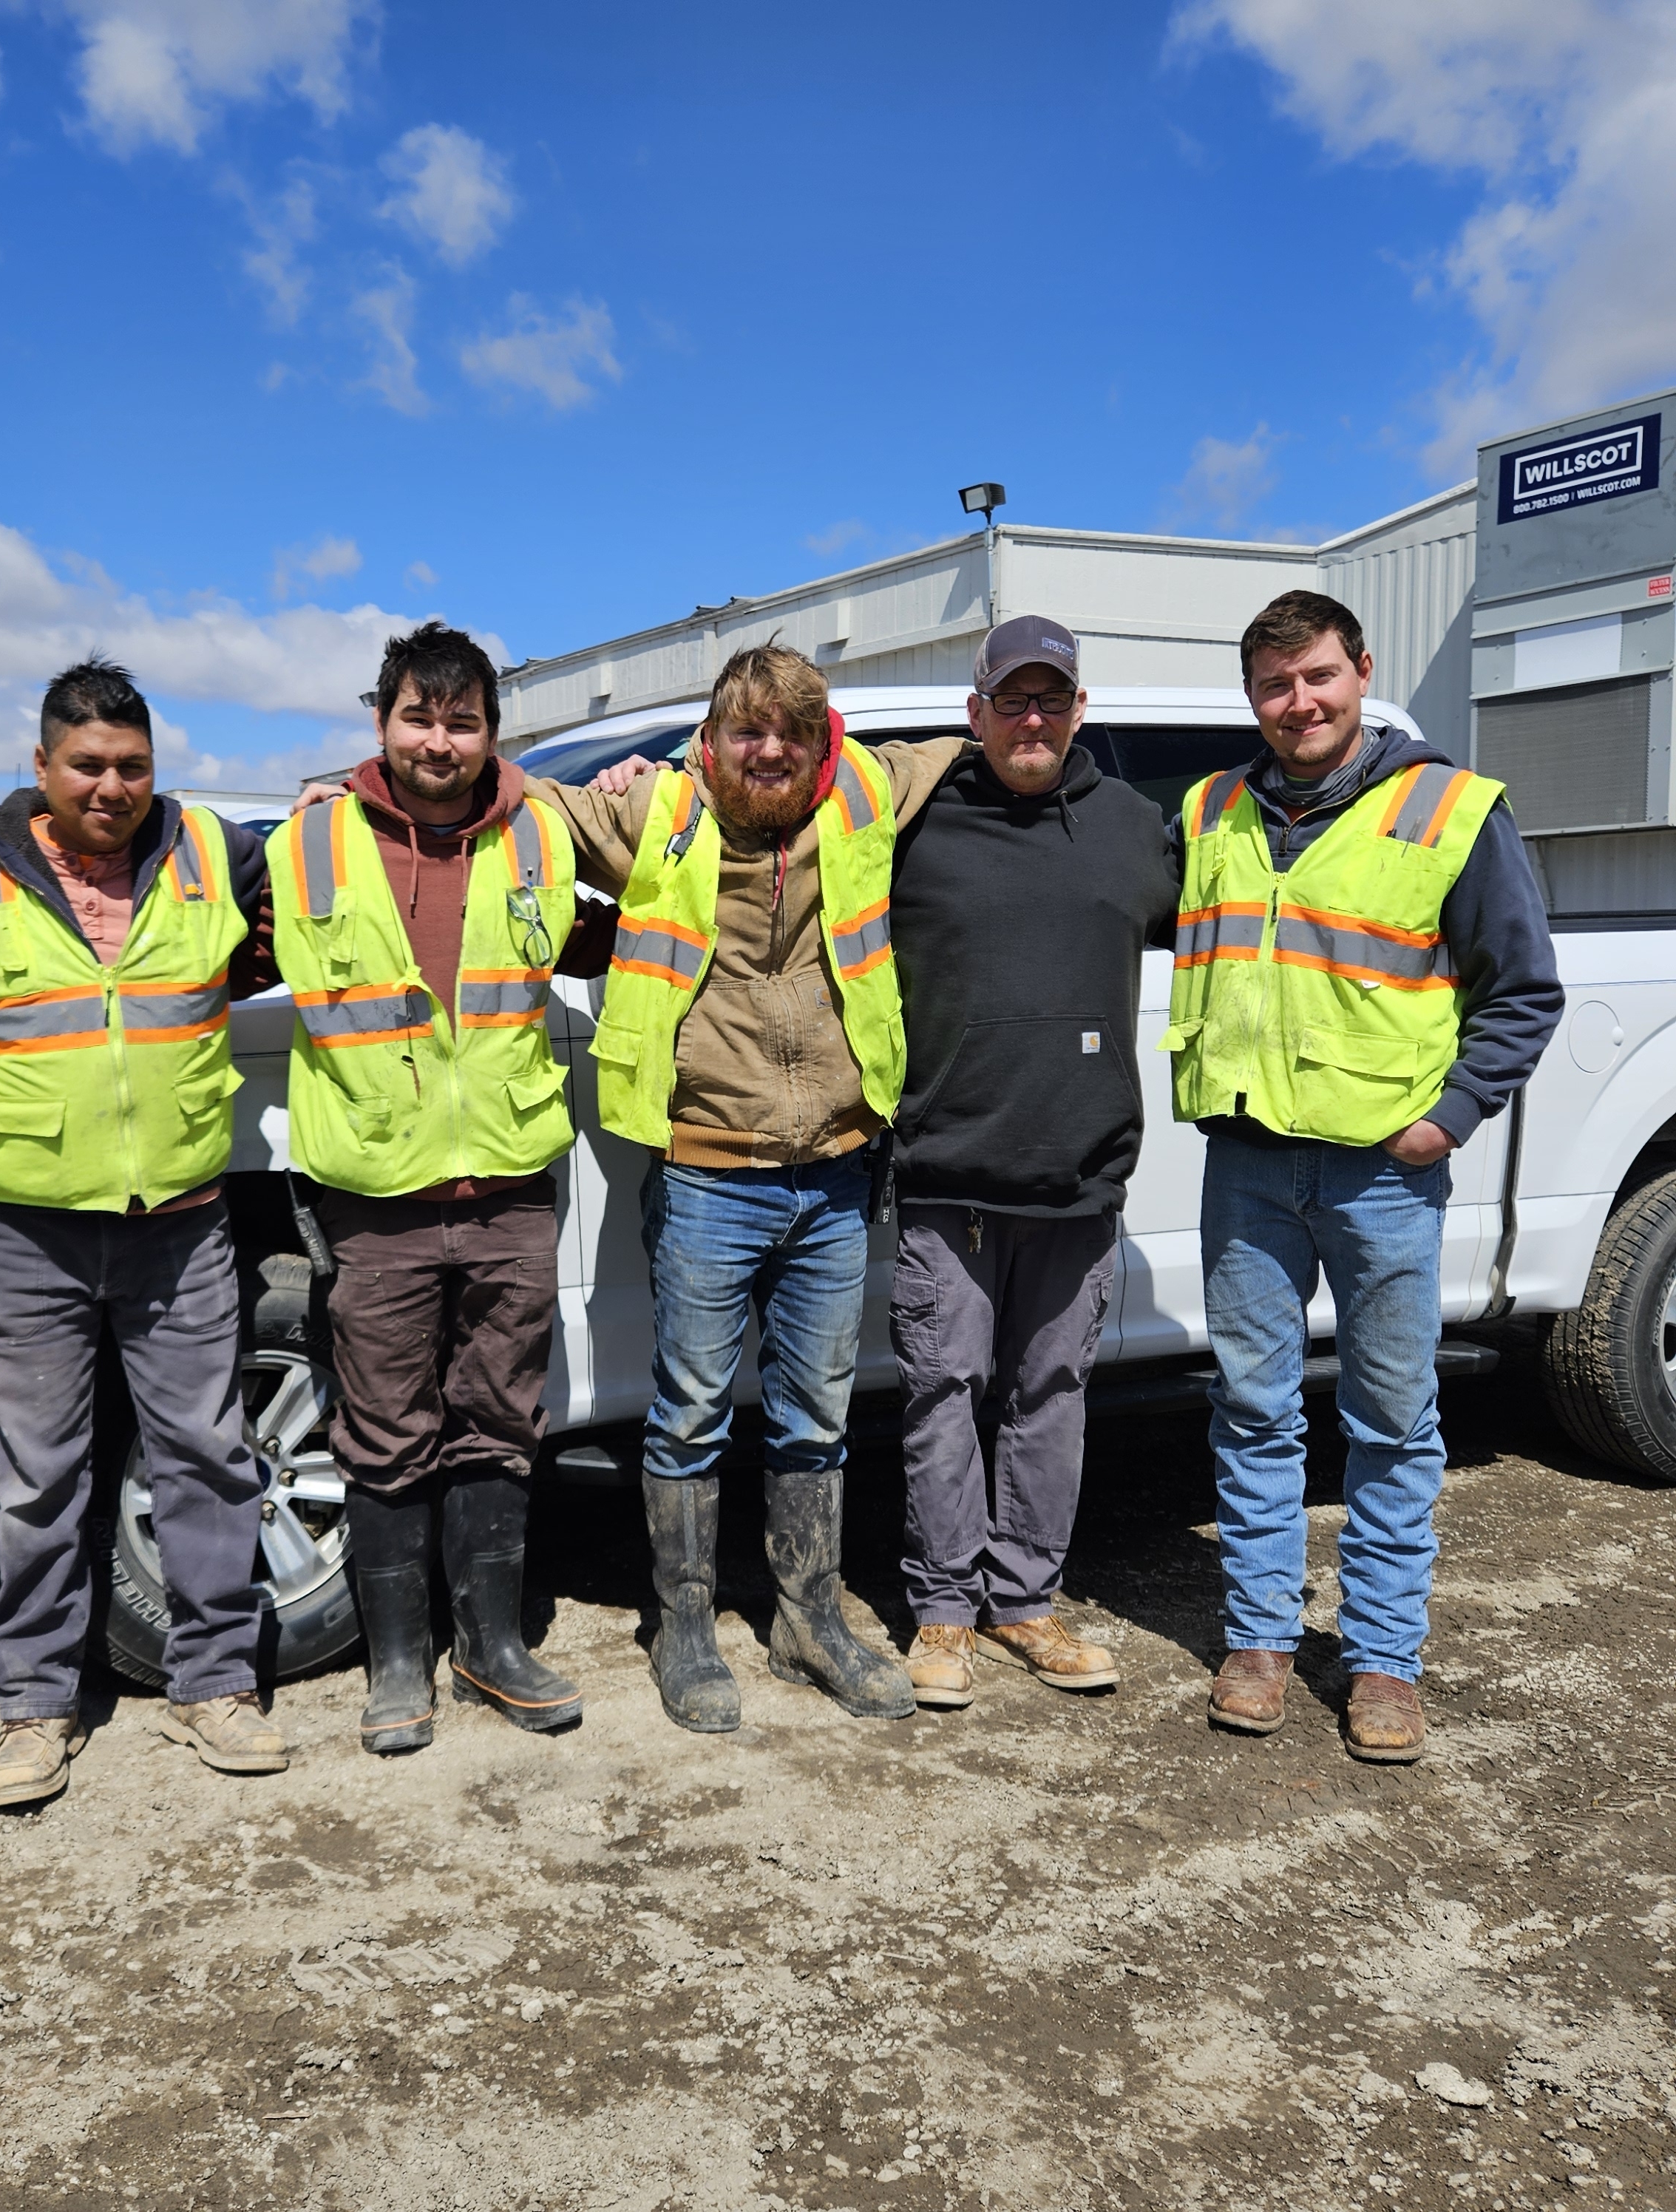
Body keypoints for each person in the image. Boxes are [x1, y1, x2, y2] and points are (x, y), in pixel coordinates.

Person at [0, 658, 284, 1802]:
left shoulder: (217, 856)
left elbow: (311, 903)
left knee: (209, 1456)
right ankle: (35, 1707)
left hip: (182, 1222)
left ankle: (216, 1684)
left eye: (134, 767)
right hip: (27, 1232)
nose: (112, 787)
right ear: (42, 765)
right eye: (88, 766)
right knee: (35, 1476)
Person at [543, 643, 967, 1731]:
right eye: (748, 731)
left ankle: (808, 1621)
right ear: (712, 740)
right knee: (687, 1418)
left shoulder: (868, 786)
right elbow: (515, 797)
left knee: (815, 1417)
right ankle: (681, 1627)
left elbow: (990, 741)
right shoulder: (660, 812)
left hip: (834, 1172)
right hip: (707, 1174)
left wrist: (1027, 730)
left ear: (822, 740)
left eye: (793, 731)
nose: (771, 750)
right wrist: (352, 786)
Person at [1177, 590, 1562, 1760]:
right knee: (1253, 1411)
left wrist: (1447, 1121)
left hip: (1382, 1175)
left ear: (1361, 674)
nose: (1298, 703)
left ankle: (1385, 1659)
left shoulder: (1451, 808)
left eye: (1319, 678)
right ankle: (1260, 1641)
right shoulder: (1208, 807)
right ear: (1253, 699)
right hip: (1245, 1161)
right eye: (1274, 686)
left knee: (1392, 1419)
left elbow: (1523, 989)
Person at [267, 623, 608, 1754]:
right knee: (383, 1426)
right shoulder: (307, 840)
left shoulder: (542, 834)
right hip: (379, 1190)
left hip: (510, 1180)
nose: (439, 741)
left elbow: (660, 868)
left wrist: (652, 774)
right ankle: (399, 1659)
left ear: (492, 733)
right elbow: (178, 886)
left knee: (502, 1417)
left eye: (463, 721)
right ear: (381, 721)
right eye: (419, 716)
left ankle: (492, 1649)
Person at [886, 617, 1177, 1709]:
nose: (1033, 719)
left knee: (1051, 1395)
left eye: (1052, 699)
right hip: (948, 1173)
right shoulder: (915, 825)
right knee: (943, 1394)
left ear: (1080, 710)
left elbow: (1249, 921)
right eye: (1012, 699)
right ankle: (944, 1614)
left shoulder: (1135, 828)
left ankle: (1027, 1604)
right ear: (977, 714)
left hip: (1077, 1172)